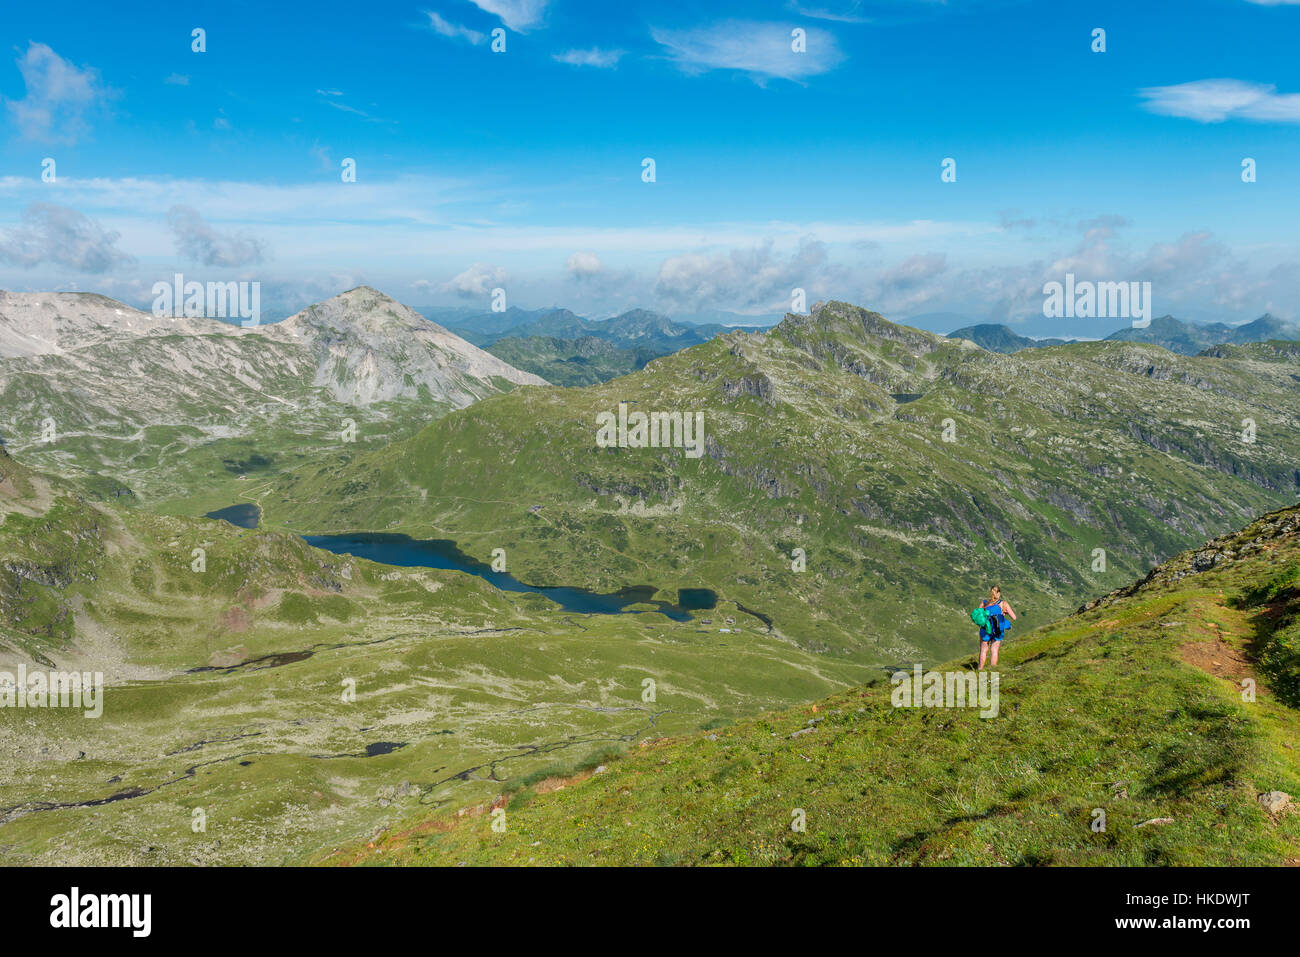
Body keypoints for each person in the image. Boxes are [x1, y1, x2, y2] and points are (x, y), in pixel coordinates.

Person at [977, 585, 1017, 671]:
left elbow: (978, 616)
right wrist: (1004, 613)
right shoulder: (1003, 604)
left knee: (983, 650)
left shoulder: (984, 603)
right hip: (998, 629)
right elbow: (1014, 617)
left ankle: (980, 670)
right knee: (994, 650)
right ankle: (992, 670)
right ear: (999, 593)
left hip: (985, 629)